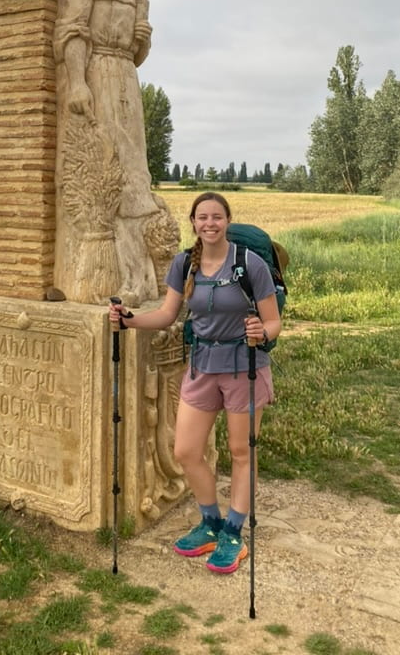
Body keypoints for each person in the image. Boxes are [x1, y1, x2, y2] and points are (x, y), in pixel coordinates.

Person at [108, 191, 281, 574]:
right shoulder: (185, 264)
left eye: (217, 217)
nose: (210, 224)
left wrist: (260, 332)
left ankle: (234, 532)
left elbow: (273, 322)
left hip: (243, 366)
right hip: (202, 366)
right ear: (193, 222)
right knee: (186, 450)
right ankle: (210, 522)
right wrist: (130, 320)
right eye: (202, 217)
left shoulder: (249, 264)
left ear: (227, 220)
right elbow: (169, 313)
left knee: (241, 452)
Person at [53, 0, 178, 307]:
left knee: (134, 169)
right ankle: (120, 275)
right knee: (111, 166)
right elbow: (73, 30)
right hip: (99, 74)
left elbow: (137, 54)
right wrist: (76, 83)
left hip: (126, 75)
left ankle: (143, 274)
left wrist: (142, 36)